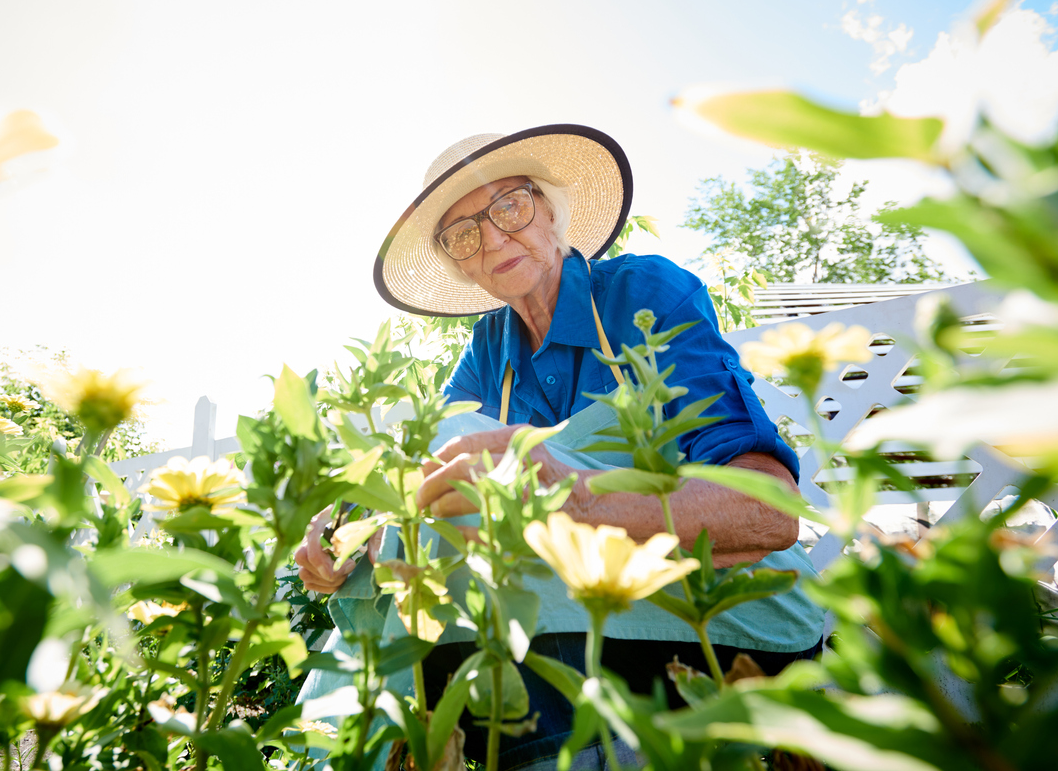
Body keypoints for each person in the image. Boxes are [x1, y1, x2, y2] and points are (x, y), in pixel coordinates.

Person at [295, 125, 824, 771]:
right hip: (573, 627)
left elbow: (771, 512)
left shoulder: (644, 293)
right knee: (439, 486)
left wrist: (573, 499)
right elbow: (427, 479)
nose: (490, 237)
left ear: (552, 210)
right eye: (462, 234)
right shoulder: (490, 350)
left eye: (508, 205)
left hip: (722, 615)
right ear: (459, 264)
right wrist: (351, 534)